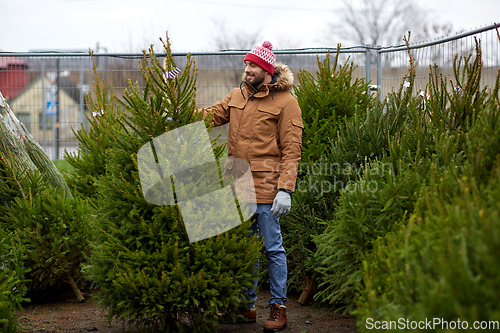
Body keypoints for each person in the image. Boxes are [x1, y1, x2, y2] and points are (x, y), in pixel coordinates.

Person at [202, 41, 303, 332]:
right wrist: (176, 109)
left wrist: (285, 189)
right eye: (246, 65)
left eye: (253, 66)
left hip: (269, 190)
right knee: (244, 249)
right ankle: (245, 307)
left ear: (267, 70)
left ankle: (278, 307)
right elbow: (209, 115)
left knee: (273, 249)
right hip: (238, 189)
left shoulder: (286, 103)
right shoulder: (236, 96)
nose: (247, 70)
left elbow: (292, 149)